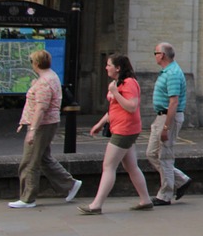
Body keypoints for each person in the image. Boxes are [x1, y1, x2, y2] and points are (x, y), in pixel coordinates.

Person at [79, 54, 155, 214]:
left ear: (118, 68)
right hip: (122, 128)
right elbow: (115, 108)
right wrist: (100, 123)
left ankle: (96, 205)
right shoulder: (119, 83)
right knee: (131, 166)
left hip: (124, 130)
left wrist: (115, 92)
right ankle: (146, 200)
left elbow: (132, 106)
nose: (106, 67)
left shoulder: (129, 83)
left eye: (109, 65)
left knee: (108, 166)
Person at [9, 49, 82, 208]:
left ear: (36, 63)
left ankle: (27, 198)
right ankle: (70, 184)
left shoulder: (44, 82)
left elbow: (41, 108)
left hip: (42, 125)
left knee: (29, 161)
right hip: (48, 123)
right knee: (43, 158)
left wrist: (32, 130)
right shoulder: (51, 77)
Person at [147, 42, 191, 205]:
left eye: (155, 52)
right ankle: (181, 180)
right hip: (161, 116)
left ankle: (165, 195)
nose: (155, 55)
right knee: (151, 153)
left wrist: (166, 126)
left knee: (164, 156)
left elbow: (173, 102)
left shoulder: (172, 73)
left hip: (168, 117)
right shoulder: (167, 71)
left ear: (162, 55)